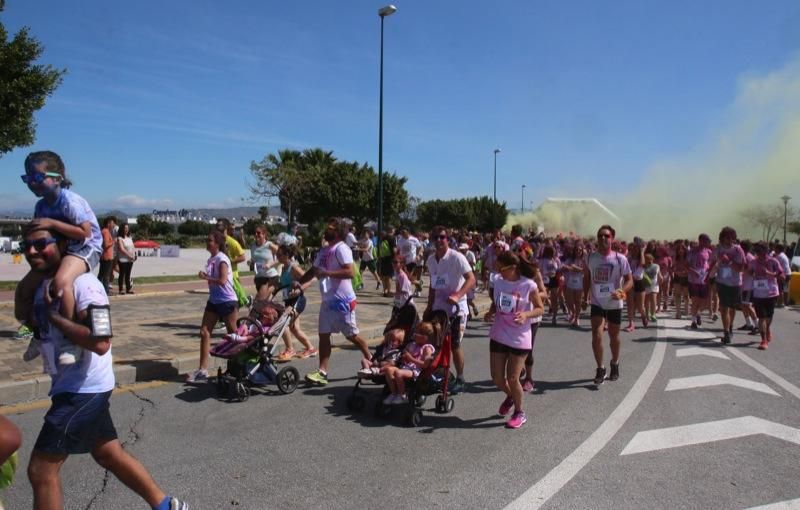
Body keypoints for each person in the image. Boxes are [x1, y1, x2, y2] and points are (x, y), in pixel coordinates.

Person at [21, 223, 188, 510]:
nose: (31, 251)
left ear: (63, 244)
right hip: (70, 387)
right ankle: (166, 506)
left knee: (41, 470)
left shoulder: (86, 285)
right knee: (108, 453)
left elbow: (101, 342)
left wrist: (57, 319)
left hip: (83, 391)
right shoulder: (43, 286)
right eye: (26, 246)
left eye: (40, 244)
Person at [14, 151, 103, 366]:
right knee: (25, 289)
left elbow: (85, 233)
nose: (32, 184)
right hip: (62, 248)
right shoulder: (40, 206)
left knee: (62, 282)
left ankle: (71, 339)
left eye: (37, 178)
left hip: (85, 248)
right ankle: (37, 332)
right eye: (27, 179)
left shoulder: (69, 201)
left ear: (57, 178)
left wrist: (52, 224)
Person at [296, 218, 373, 386]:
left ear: (337, 232)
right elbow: (314, 270)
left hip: (343, 301)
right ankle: (322, 372)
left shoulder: (342, 248)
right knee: (323, 335)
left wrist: (328, 273)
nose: (326, 229)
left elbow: (350, 272)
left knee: (352, 335)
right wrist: (299, 282)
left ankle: (371, 358)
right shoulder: (324, 250)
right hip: (327, 301)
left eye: (330, 227)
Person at [483, 251, 544, 429]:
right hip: (499, 332)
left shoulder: (528, 285)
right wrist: (491, 312)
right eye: (497, 268)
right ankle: (511, 396)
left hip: (519, 336)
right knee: (496, 378)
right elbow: (497, 302)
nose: (499, 271)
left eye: (502, 268)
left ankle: (519, 412)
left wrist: (526, 314)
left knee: (512, 377)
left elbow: (540, 309)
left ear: (513, 268)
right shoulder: (498, 282)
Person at [425, 226, 476, 394]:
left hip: (456, 308)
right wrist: (428, 306)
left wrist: (458, 294)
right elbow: (433, 286)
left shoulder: (457, 258)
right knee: (434, 341)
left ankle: (460, 378)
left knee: (454, 344)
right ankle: (438, 373)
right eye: (436, 237)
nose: (439, 240)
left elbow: (471, 279)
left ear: (448, 239)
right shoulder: (431, 260)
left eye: (442, 237)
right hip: (439, 307)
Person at [582, 225, 633, 385]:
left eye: (606, 236)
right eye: (600, 236)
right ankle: (600, 368)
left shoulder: (620, 259)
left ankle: (615, 363)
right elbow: (586, 278)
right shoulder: (590, 257)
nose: (603, 238)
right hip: (597, 302)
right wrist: (585, 297)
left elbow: (630, 280)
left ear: (612, 238)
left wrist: (621, 291)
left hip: (614, 303)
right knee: (596, 336)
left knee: (614, 337)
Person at [187, 230, 238, 382]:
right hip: (214, 301)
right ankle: (203, 369)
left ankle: (237, 366)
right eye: (207, 240)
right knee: (204, 332)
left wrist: (206, 277)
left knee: (233, 336)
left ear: (217, 243)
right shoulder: (212, 258)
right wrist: (207, 276)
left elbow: (222, 281)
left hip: (227, 301)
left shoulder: (222, 259)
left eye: (210, 240)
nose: (207, 243)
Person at [274, 244, 317, 361]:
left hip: (298, 300)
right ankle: (311, 348)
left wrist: (299, 289)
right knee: (294, 329)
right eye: (276, 254)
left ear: (287, 255)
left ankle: (290, 349)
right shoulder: (283, 268)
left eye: (279, 255)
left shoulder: (293, 267)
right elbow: (284, 284)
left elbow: (310, 278)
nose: (277, 257)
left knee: (283, 323)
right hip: (288, 301)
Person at [381, 322, 437, 405]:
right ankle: (394, 393)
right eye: (415, 332)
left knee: (398, 372)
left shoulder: (427, 348)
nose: (414, 335)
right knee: (388, 370)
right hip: (405, 367)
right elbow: (405, 354)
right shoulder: (412, 344)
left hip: (415, 370)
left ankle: (403, 395)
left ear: (425, 337)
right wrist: (404, 358)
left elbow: (425, 364)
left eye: (418, 333)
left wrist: (411, 359)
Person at [708, 227, 746, 344]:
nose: (729, 240)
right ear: (722, 238)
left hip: (735, 283)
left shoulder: (738, 250)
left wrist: (729, 261)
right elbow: (711, 263)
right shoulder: (718, 249)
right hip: (722, 282)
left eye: (732, 238)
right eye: (727, 237)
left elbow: (742, 268)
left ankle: (730, 327)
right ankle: (726, 333)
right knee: (724, 309)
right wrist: (715, 265)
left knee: (732, 308)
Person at [748, 242, 784, 350]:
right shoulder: (753, 262)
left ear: (765, 250)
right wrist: (752, 273)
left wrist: (769, 273)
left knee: (769, 316)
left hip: (771, 292)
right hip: (758, 293)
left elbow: (781, 275)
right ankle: (763, 340)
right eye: (756, 251)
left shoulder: (773, 261)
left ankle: (767, 328)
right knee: (761, 317)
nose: (758, 253)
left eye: (760, 250)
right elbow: (750, 272)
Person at [216, 219, 248, 308]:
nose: (220, 232)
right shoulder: (217, 242)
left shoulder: (233, 242)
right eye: (218, 230)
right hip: (220, 277)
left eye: (221, 230)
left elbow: (243, 257)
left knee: (232, 301)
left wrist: (230, 261)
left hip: (232, 277)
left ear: (226, 229)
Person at [688, 234, 713, 329]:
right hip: (693, 280)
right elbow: (687, 265)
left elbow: (712, 263)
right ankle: (693, 321)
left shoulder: (709, 252)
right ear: (701, 241)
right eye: (707, 241)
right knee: (695, 300)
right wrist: (694, 271)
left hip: (704, 279)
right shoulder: (692, 252)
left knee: (704, 302)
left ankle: (698, 313)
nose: (709, 243)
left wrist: (710, 272)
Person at [249, 224, 280, 301]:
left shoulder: (269, 245)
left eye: (259, 233)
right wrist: (251, 262)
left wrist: (270, 264)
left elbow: (282, 257)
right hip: (259, 278)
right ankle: (277, 312)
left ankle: (252, 302)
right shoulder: (253, 246)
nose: (256, 235)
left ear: (264, 234)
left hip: (270, 277)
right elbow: (254, 259)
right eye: (255, 233)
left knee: (260, 300)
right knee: (265, 303)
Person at [624, 237, 647, 332]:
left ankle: (643, 316)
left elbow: (642, 264)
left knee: (640, 306)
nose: (635, 250)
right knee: (630, 304)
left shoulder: (641, 257)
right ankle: (631, 324)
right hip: (630, 282)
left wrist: (642, 252)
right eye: (633, 248)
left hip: (639, 282)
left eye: (637, 248)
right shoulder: (628, 257)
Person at [737, 240, 759, 334]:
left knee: (748, 305)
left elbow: (753, 272)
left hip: (749, 285)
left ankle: (758, 325)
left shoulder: (750, 258)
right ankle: (748, 324)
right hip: (742, 285)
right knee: (742, 305)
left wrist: (744, 270)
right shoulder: (743, 256)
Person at [563, 244, 587, 328]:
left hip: (579, 282)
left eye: (580, 250)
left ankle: (577, 318)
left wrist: (575, 268)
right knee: (568, 300)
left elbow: (585, 270)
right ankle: (573, 313)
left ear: (582, 251)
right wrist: (568, 267)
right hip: (570, 282)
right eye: (576, 250)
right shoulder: (571, 259)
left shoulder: (584, 260)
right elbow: (563, 266)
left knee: (578, 301)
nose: (578, 251)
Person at [458, 243, 480, 318]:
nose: (461, 250)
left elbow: (474, 263)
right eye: (460, 249)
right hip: (461, 278)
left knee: (469, 298)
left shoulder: (471, 254)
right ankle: (469, 314)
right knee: (464, 297)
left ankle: (474, 307)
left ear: (466, 249)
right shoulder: (459, 255)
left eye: (463, 249)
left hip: (470, 276)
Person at [115, 223, 137, 294]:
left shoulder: (129, 237)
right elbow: (122, 249)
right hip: (123, 259)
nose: (126, 229)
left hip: (130, 259)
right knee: (122, 274)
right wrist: (129, 255)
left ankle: (128, 289)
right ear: (122, 229)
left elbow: (132, 247)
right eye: (125, 228)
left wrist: (134, 255)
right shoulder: (119, 238)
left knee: (128, 274)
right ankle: (121, 289)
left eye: (127, 228)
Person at [98, 216, 117, 294]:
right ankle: (106, 291)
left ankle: (98, 289)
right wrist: (113, 241)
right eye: (113, 223)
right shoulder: (106, 232)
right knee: (106, 275)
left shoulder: (105, 231)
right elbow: (106, 245)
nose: (114, 225)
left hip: (104, 256)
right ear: (108, 223)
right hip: (107, 257)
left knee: (101, 274)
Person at [672, 241, 690, 319]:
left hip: (686, 277)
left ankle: (686, 309)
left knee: (686, 295)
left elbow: (690, 268)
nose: (680, 250)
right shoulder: (675, 258)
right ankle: (678, 312)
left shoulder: (688, 258)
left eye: (682, 249)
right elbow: (672, 268)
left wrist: (685, 272)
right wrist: (676, 272)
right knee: (677, 295)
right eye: (679, 249)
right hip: (677, 277)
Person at [643, 253, 662, 322]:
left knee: (653, 300)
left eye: (650, 259)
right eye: (647, 259)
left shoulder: (656, 266)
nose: (649, 260)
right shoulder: (643, 266)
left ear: (652, 259)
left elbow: (659, 274)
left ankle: (653, 314)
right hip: (646, 285)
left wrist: (661, 279)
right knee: (646, 300)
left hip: (654, 285)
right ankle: (647, 313)